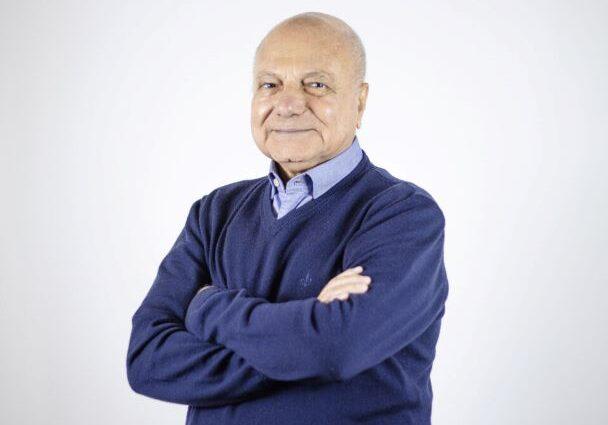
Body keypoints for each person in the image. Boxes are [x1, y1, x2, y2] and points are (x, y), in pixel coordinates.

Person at [126, 11, 449, 425]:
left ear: (360, 101)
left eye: (316, 84)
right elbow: (148, 362)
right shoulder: (214, 213)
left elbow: (333, 349)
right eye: (270, 84)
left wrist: (208, 306)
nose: (289, 105)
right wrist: (304, 338)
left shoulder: (403, 216)